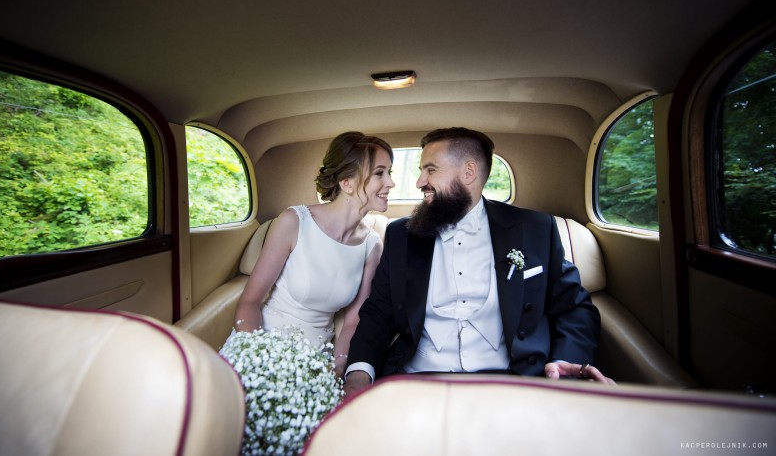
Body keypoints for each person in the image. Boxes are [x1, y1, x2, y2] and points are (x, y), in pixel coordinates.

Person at [344, 127, 614, 394]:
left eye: (430, 170)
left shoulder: (534, 229)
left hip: (510, 382)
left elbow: (574, 307)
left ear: (468, 173)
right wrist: (359, 371)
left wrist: (566, 361)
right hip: (418, 378)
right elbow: (378, 313)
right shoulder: (402, 235)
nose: (420, 182)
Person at [233, 131, 394, 377]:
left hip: (316, 361)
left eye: (390, 172)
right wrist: (257, 361)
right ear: (347, 183)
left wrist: (338, 368)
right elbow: (249, 302)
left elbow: (352, 323)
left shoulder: (372, 246)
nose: (391, 182)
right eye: (379, 173)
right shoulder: (294, 221)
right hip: (260, 345)